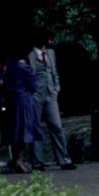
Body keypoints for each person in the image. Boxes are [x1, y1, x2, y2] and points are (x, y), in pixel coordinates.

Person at [29, 30, 75, 170]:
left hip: (51, 94)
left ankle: (64, 159)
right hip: (36, 94)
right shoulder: (31, 54)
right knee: (35, 127)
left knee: (57, 126)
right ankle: (37, 161)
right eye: (49, 39)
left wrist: (57, 87)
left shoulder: (51, 53)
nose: (52, 42)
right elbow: (30, 74)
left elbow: (54, 72)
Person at [3, 44, 43, 174]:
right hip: (24, 101)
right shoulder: (25, 67)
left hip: (12, 101)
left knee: (15, 131)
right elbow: (33, 86)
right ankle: (19, 160)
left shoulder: (10, 66)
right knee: (24, 132)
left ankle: (15, 159)